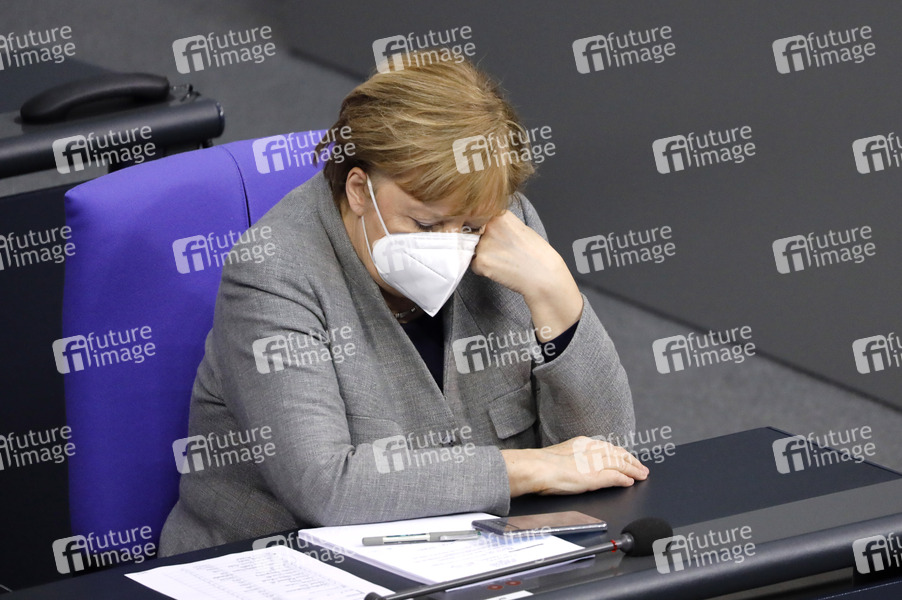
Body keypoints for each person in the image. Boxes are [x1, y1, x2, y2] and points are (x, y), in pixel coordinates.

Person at [159, 52, 645, 556]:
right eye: (426, 224)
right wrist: (527, 469)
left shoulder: (504, 229)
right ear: (359, 190)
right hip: (279, 568)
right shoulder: (274, 273)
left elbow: (605, 459)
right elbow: (326, 488)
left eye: (470, 227)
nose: (452, 245)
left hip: (462, 558)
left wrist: (557, 297)